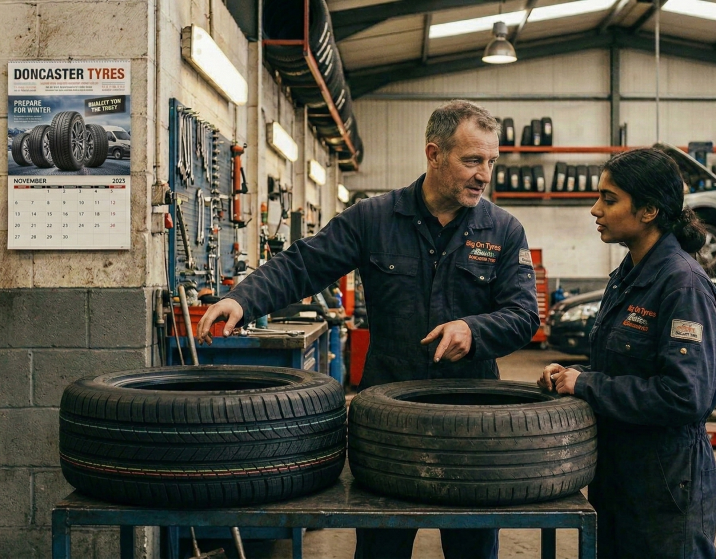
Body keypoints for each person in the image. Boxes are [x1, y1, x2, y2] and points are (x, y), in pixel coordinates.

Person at [198, 100, 541, 559]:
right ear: (434, 154)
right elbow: (303, 264)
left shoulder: (503, 230)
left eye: (491, 162)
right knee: (382, 544)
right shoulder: (373, 218)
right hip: (388, 419)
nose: (484, 174)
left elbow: (523, 314)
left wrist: (474, 330)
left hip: (471, 418)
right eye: (472, 160)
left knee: (472, 545)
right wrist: (242, 298)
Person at [538, 148, 716, 559]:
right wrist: (575, 376)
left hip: (665, 483)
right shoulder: (626, 276)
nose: (595, 209)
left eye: (609, 199)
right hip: (619, 474)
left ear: (648, 211)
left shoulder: (682, 285)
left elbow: (685, 396)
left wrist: (587, 384)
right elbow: (626, 368)